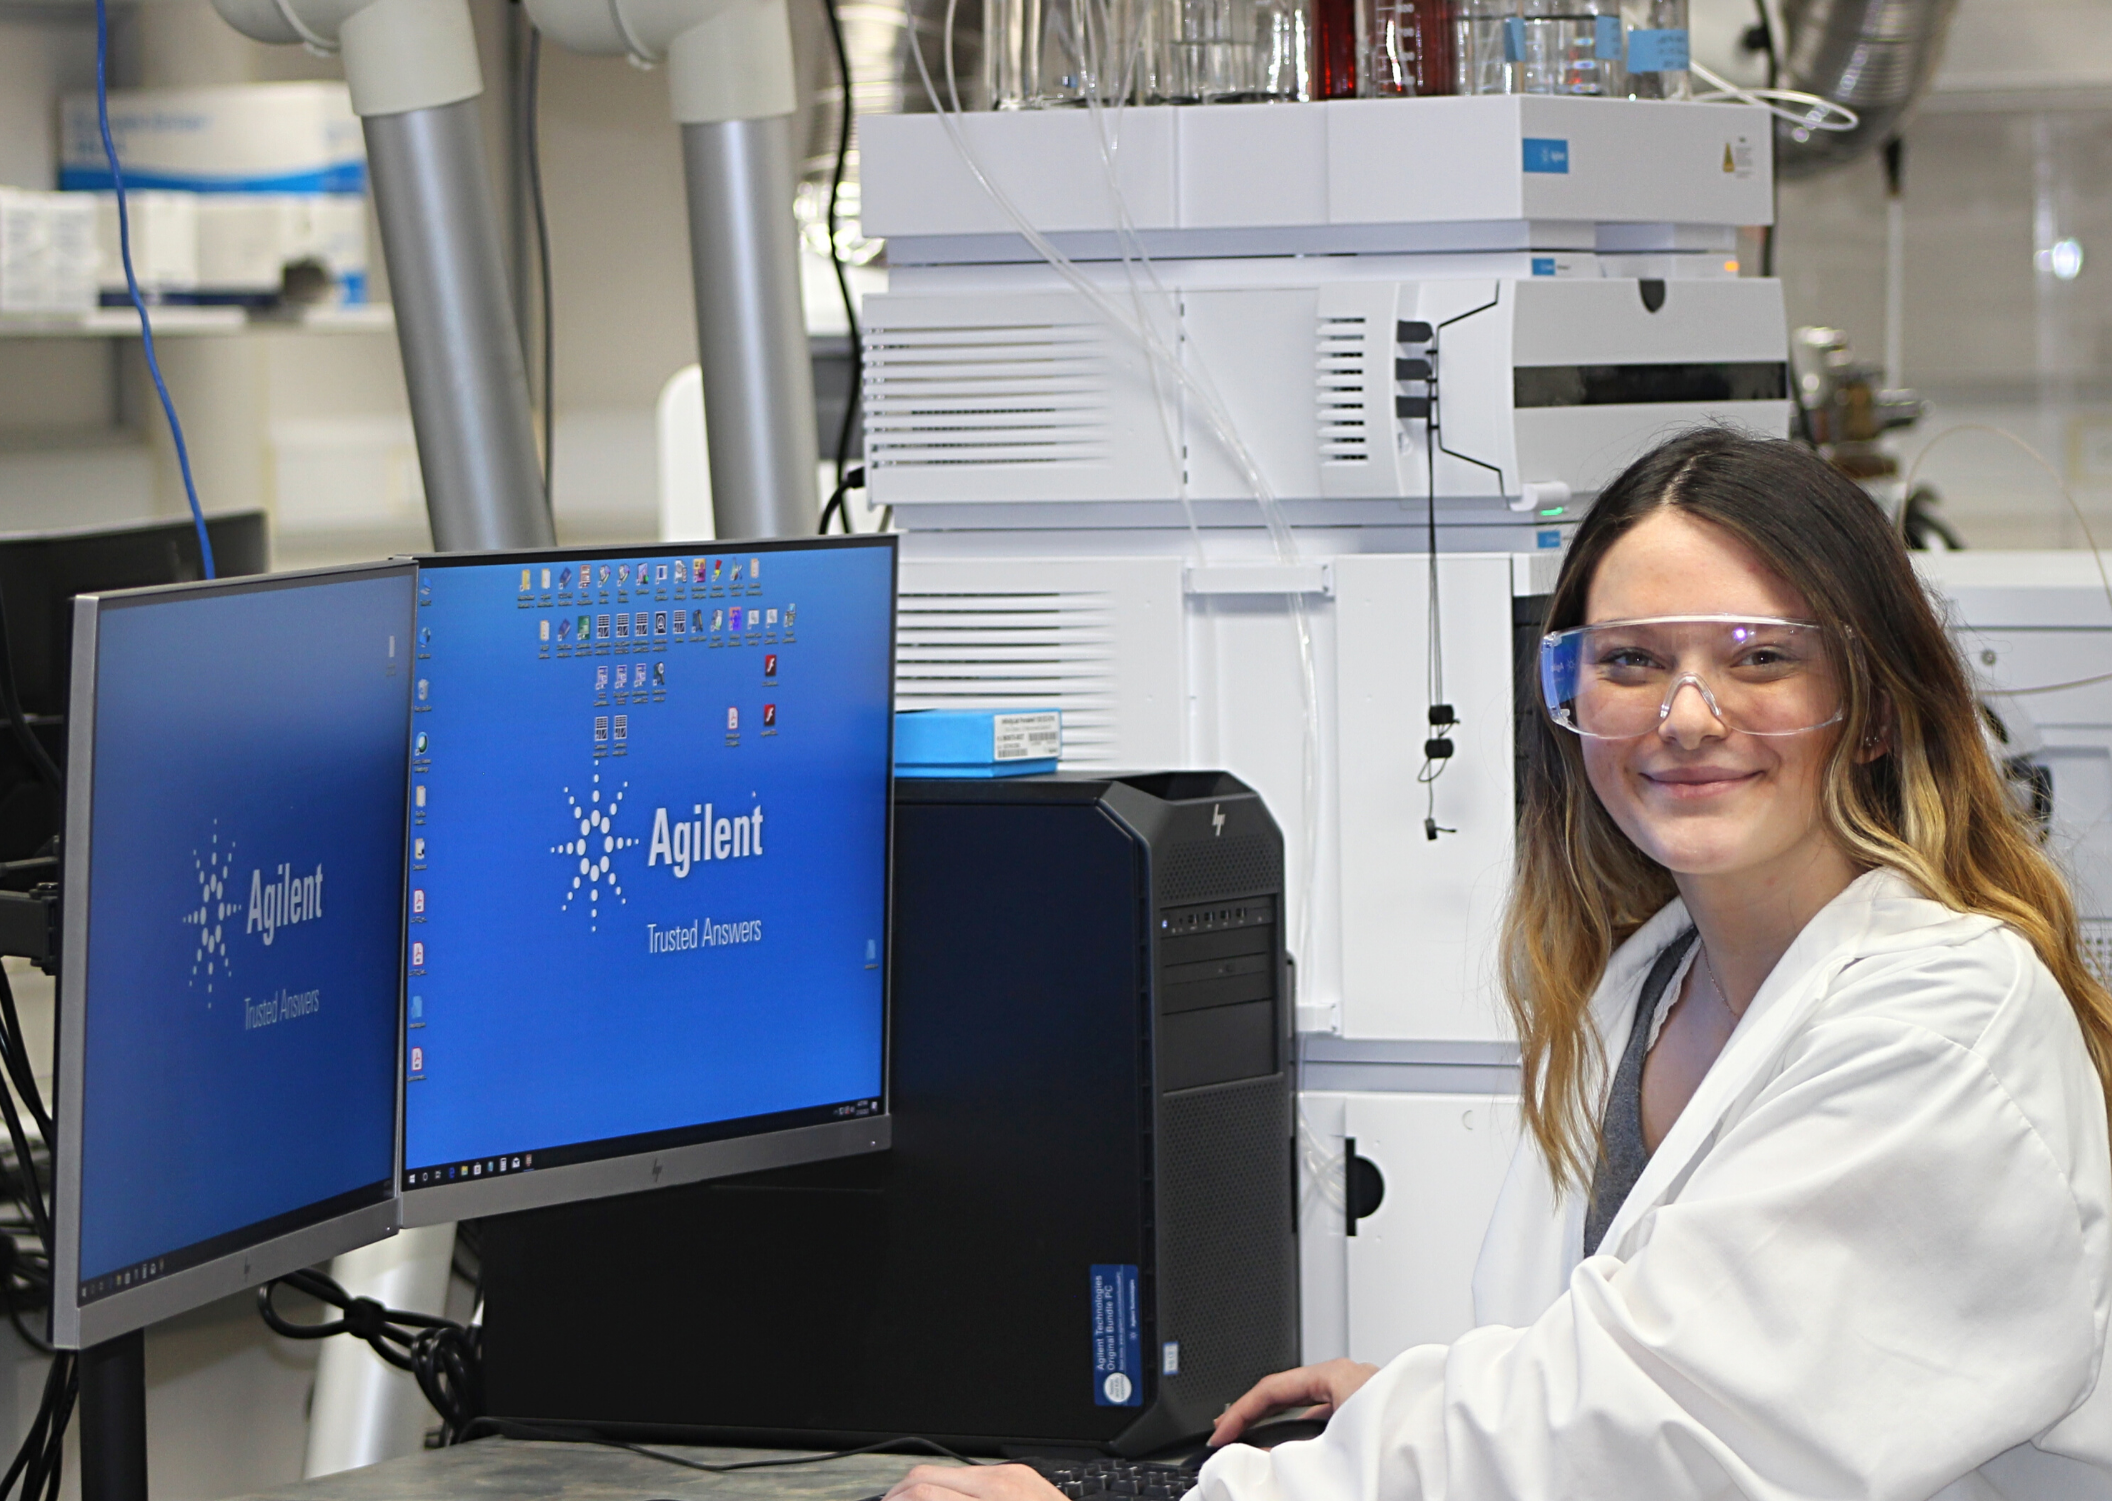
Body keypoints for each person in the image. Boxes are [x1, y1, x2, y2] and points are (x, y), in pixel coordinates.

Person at [883, 428, 2112, 1500]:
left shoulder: (1942, 1025)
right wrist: (1418, 1407)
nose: (1686, 716)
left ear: (1878, 705)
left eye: (1758, 657)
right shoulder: (1648, 985)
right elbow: (1602, 1374)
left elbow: (1655, 1440)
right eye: (1630, 662)